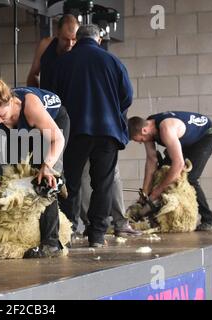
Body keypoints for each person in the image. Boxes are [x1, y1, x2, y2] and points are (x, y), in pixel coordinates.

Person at [52, 24, 134, 247]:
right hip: (107, 132)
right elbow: (127, 96)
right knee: (103, 183)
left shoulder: (63, 63)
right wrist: (112, 111)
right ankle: (97, 236)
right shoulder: (113, 61)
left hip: (75, 131)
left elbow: (52, 99)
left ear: (76, 40)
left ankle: (66, 232)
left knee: (72, 182)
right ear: (98, 39)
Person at [0, 79, 70, 256]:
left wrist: (47, 166)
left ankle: (51, 243)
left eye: (3, 115)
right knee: (15, 174)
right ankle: (19, 236)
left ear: (12, 102)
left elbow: (58, 139)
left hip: (53, 126)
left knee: (44, 181)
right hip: (22, 130)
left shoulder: (30, 107)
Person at [128, 111, 212, 231]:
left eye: (139, 140)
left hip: (204, 136)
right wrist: (145, 194)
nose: (140, 142)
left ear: (144, 131)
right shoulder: (147, 126)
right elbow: (151, 160)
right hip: (184, 140)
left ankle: (208, 219)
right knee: (162, 173)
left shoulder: (166, 129)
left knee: (190, 178)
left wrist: (157, 192)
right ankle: (155, 216)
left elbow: (179, 164)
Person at [26, 14, 79, 90]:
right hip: (48, 99)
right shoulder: (45, 45)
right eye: (65, 39)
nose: (70, 44)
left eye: (74, 39)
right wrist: (35, 96)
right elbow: (33, 74)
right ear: (58, 34)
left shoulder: (80, 49)